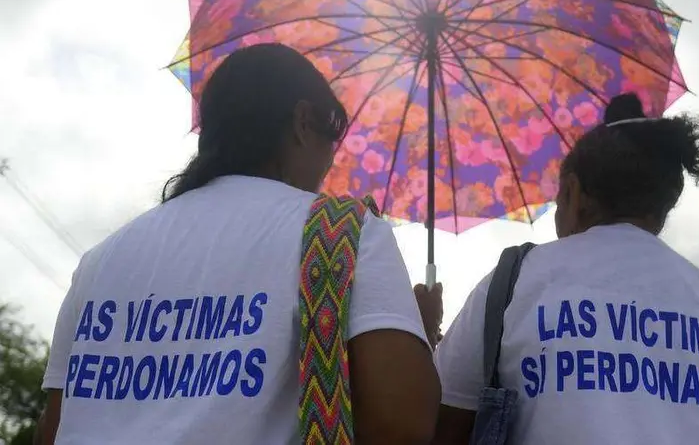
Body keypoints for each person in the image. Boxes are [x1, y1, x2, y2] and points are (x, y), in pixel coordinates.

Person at [36, 43, 440, 445]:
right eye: (329, 142)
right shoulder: (340, 233)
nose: (327, 168)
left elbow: (54, 429)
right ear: (302, 122)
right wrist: (409, 335)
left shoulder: (100, 261)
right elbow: (400, 425)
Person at [432, 93, 699, 445]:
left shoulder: (513, 284)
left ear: (572, 193)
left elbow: (436, 428)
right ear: (663, 208)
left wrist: (421, 331)